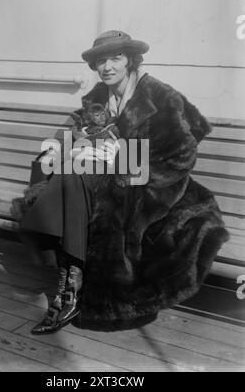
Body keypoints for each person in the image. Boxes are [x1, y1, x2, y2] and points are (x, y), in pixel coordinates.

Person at [13, 30, 229, 334]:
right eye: (101, 60)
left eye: (116, 58)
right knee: (70, 175)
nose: (108, 67)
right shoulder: (98, 98)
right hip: (102, 179)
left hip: (155, 188)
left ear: (130, 60)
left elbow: (179, 158)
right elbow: (63, 141)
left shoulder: (160, 97)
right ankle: (71, 286)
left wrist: (121, 157)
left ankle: (68, 286)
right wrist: (75, 144)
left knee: (72, 182)